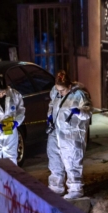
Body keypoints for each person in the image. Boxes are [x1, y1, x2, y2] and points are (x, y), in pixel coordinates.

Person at [46, 70, 92, 199]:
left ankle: (75, 189)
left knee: (72, 160)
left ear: (70, 86)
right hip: (56, 131)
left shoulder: (80, 95)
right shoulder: (56, 92)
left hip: (71, 135)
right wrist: (50, 116)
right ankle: (56, 187)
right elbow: (52, 104)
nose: (59, 93)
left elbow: (88, 112)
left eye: (62, 91)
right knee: (54, 159)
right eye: (58, 90)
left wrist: (79, 111)